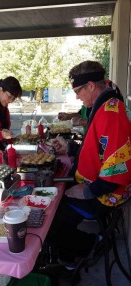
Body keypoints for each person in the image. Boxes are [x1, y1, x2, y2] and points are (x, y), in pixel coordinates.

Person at [50, 60, 131, 264]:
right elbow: (98, 151)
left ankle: (90, 245)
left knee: (52, 220)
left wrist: (87, 191)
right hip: (97, 183)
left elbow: (118, 170)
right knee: (55, 197)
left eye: (78, 90)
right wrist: (71, 148)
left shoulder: (111, 113)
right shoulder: (103, 105)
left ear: (91, 86)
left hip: (107, 194)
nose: (77, 96)